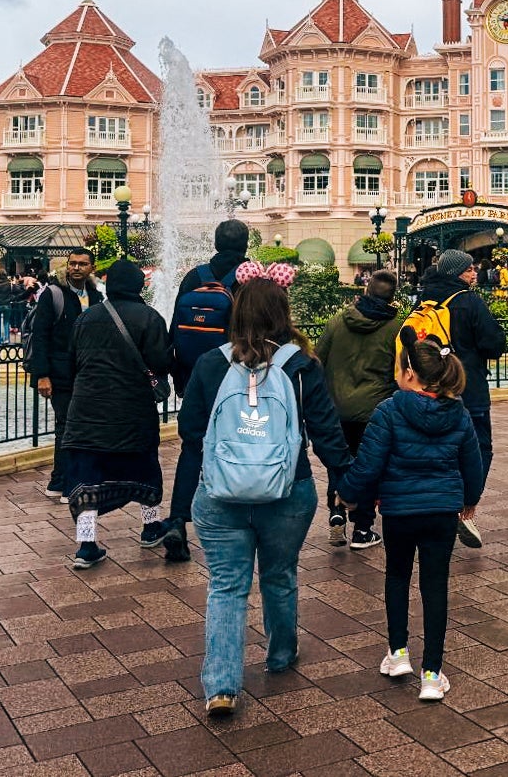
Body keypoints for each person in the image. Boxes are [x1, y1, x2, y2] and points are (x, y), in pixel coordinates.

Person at [183, 269, 354, 718]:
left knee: (226, 586)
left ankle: (221, 686)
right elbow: (327, 433)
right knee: (279, 575)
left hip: (220, 494)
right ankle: (280, 654)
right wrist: (348, 484)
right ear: (283, 314)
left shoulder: (211, 364)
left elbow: (190, 429)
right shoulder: (301, 366)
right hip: (288, 489)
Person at [337, 328, 482, 702]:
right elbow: (473, 462)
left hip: (399, 510)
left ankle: (398, 652)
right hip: (442, 512)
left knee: (397, 576)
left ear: (410, 374)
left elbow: (368, 464)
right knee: (435, 586)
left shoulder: (389, 411)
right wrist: (469, 500)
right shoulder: (459, 413)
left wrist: (348, 495)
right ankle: (432, 674)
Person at [61, 259, 172, 569]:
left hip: (86, 412)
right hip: (132, 411)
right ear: (137, 285)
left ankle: (86, 545)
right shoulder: (149, 317)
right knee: (144, 467)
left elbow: (72, 363)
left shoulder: (86, 318)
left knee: (86, 476)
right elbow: (161, 361)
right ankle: (151, 527)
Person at [159, 219, 251, 562]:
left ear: (215, 243)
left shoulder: (194, 276)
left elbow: (175, 330)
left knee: (192, 447)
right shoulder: (250, 277)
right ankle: (234, 526)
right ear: (245, 245)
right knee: (239, 445)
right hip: (238, 374)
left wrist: (179, 377)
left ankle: (177, 522)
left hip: (197, 375)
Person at [412, 250, 505, 547]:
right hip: (469, 389)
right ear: (455, 273)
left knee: (439, 448)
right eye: (468, 270)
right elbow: (493, 344)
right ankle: (465, 509)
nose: (474, 273)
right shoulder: (469, 302)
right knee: (479, 449)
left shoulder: (424, 301)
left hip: (432, 389)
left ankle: (435, 506)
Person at [315, 270, 403, 549]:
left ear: (366, 290)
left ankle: (337, 511)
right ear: (392, 297)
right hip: (375, 412)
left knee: (338, 463)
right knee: (369, 468)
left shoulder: (338, 321)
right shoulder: (396, 328)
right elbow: (401, 373)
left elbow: (316, 360)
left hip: (336, 409)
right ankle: (362, 529)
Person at [27, 248, 103, 502]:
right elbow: (40, 335)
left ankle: (60, 480)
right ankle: (66, 483)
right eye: (72, 263)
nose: (76, 268)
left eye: (82, 264)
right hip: (60, 373)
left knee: (79, 426)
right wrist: (42, 375)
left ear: (91, 267)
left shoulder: (95, 295)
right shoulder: (54, 293)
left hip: (86, 372)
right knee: (67, 425)